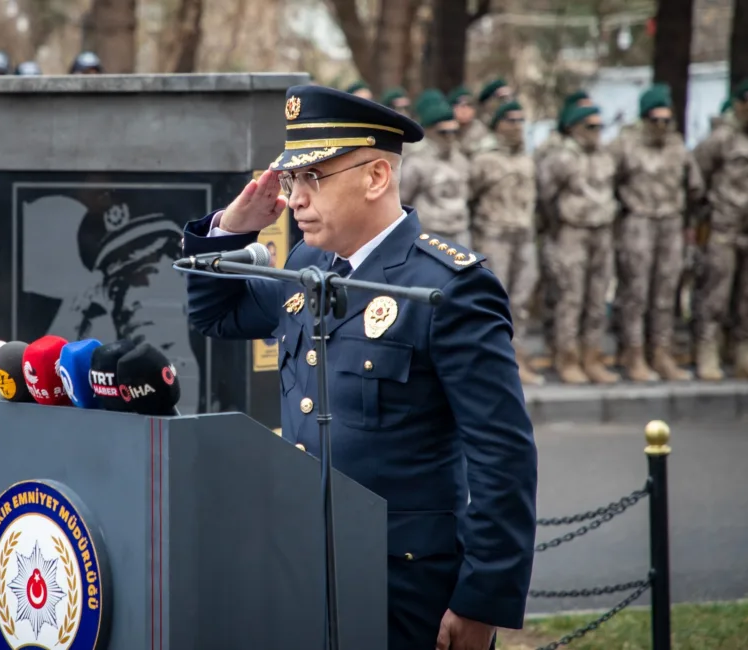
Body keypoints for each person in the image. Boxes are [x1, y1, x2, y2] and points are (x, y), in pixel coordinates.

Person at [183, 84, 537, 650]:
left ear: (376, 177)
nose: (296, 198)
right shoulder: (308, 262)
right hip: (305, 564)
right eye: (292, 180)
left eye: (313, 178)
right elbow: (216, 316)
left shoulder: (447, 288)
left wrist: (481, 599)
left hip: (404, 580)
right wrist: (232, 227)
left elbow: (503, 455)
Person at [607, 85, 703, 382]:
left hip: (670, 223)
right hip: (638, 222)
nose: (660, 126)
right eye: (654, 119)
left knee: (665, 293)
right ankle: (633, 352)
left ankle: (661, 352)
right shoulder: (625, 145)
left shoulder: (677, 146)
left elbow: (695, 186)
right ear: (644, 118)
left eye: (665, 120)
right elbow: (608, 182)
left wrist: (690, 223)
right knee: (635, 293)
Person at [691, 79, 748, 380]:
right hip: (723, 227)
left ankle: (744, 352)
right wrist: (703, 216)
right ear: (736, 105)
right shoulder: (719, 140)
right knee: (715, 293)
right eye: (746, 102)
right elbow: (696, 178)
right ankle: (707, 349)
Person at [538, 103, 619, 385]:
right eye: (590, 127)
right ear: (574, 128)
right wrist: (558, 223)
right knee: (570, 298)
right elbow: (546, 196)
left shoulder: (606, 156)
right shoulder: (561, 158)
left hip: (602, 232)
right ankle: (567, 357)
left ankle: (592, 356)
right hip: (572, 233)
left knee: (597, 299)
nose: (596, 132)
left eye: (599, 127)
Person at [468, 100, 543, 386]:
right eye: (510, 120)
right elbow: (470, 196)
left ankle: (517, 355)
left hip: (523, 234)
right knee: (495, 298)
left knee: (522, 299)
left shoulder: (526, 157)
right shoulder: (484, 158)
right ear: (497, 123)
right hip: (494, 235)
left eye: (520, 120)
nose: (516, 126)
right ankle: (494, 359)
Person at [400, 92, 471, 247]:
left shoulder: (461, 160)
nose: (449, 137)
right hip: (429, 234)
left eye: (454, 132)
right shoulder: (417, 161)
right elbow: (402, 200)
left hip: (460, 232)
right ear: (431, 131)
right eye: (443, 132)